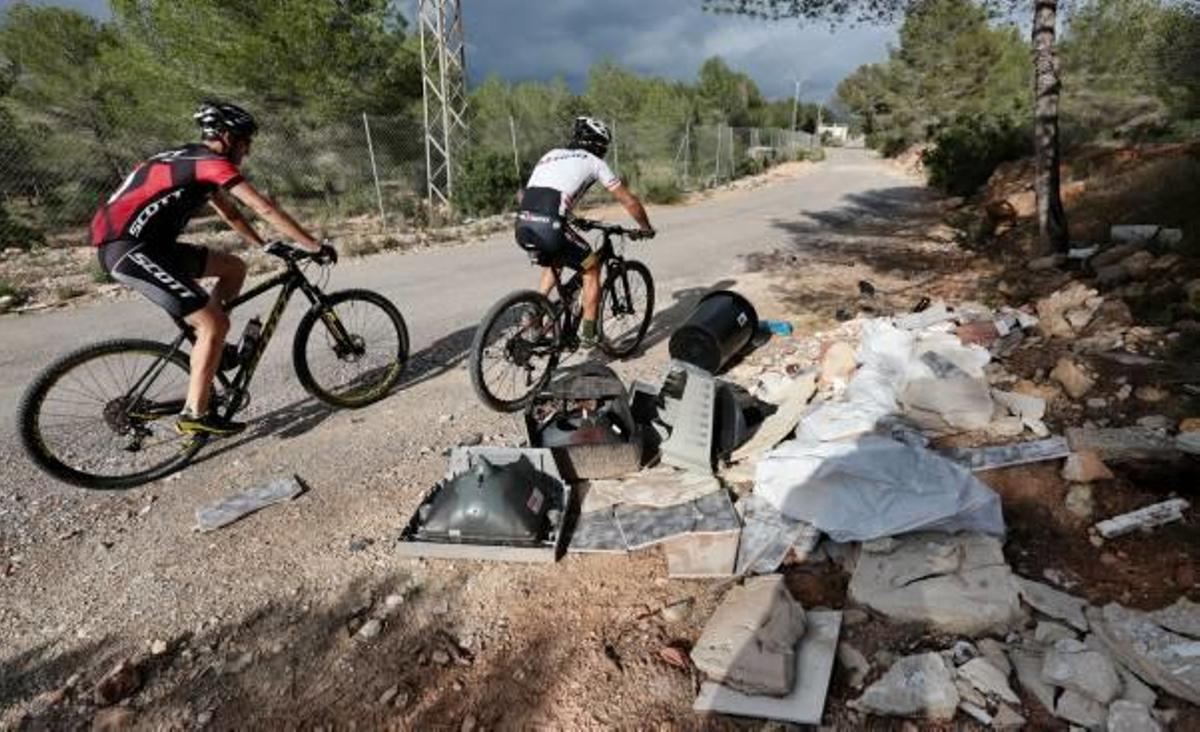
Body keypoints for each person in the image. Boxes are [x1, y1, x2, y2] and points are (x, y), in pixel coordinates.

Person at [91, 101, 336, 437]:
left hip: (150, 247)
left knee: (234, 268)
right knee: (214, 322)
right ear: (226, 136)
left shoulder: (191, 160)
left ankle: (213, 349)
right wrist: (313, 246)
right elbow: (261, 206)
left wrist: (263, 244)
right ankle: (194, 413)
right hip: (129, 250)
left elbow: (232, 214)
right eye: (245, 141)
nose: (247, 150)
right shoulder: (209, 163)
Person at [514, 116, 654, 348]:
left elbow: (535, 194)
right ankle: (590, 334)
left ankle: (535, 308)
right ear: (598, 145)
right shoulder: (594, 162)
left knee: (555, 260)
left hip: (523, 224)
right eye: (604, 147)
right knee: (591, 267)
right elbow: (629, 201)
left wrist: (570, 218)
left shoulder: (550, 154)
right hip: (551, 226)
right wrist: (645, 227)